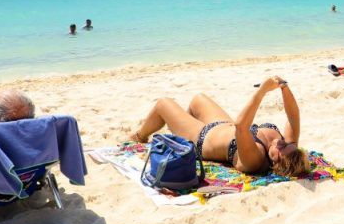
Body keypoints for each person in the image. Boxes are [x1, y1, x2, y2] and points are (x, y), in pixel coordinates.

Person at [129, 76, 310, 177]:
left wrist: (262, 91)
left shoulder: (255, 160)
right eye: (288, 144)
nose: (282, 142)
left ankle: (139, 136)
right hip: (223, 124)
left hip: (202, 137)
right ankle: (179, 127)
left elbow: (241, 126)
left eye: (282, 148)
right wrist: (284, 87)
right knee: (198, 99)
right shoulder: (289, 148)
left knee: (163, 104)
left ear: (275, 163)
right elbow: (293, 116)